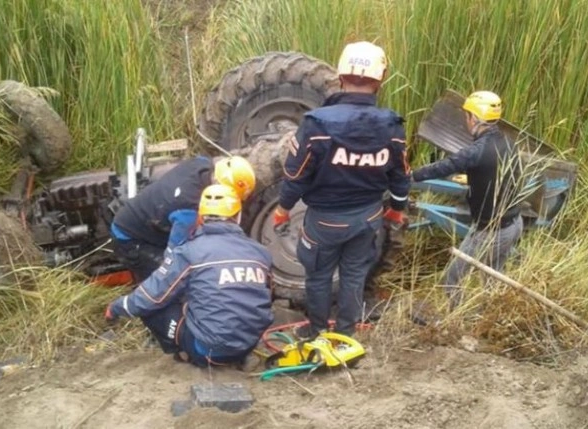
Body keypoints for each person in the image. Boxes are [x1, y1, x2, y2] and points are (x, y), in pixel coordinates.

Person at [272, 41, 411, 339]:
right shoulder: (392, 125)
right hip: (368, 218)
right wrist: (397, 209)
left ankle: (317, 330)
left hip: (324, 222)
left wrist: (283, 210)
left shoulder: (317, 123)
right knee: (354, 276)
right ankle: (346, 334)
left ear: (340, 76)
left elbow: (295, 175)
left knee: (319, 277)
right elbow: (401, 175)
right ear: (379, 80)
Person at [104, 183, 274, 367]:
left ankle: (184, 353)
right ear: (238, 216)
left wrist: (116, 307)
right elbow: (267, 295)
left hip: (208, 352)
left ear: (200, 217)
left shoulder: (189, 251)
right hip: (248, 345)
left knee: (155, 305)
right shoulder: (260, 252)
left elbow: (151, 296)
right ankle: (238, 356)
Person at [410, 90, 524, 313]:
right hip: (513, 224)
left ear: (474, 118)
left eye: (467, 116)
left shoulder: (478, 151)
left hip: (490, 232)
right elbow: (499, 172)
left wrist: (412, 176)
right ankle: (488, 320)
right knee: (492, 280)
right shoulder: (509, 141)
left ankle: (459, 321)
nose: (466, 121)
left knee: (451, 279)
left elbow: (446, 165)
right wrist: (474, 177)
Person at [110, 155, 256, 284]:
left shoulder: (202, 162)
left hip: (151, 217)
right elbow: (174, 256)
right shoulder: (188, 209)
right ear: (219, 186)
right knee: (173, 278)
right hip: (130, 238)